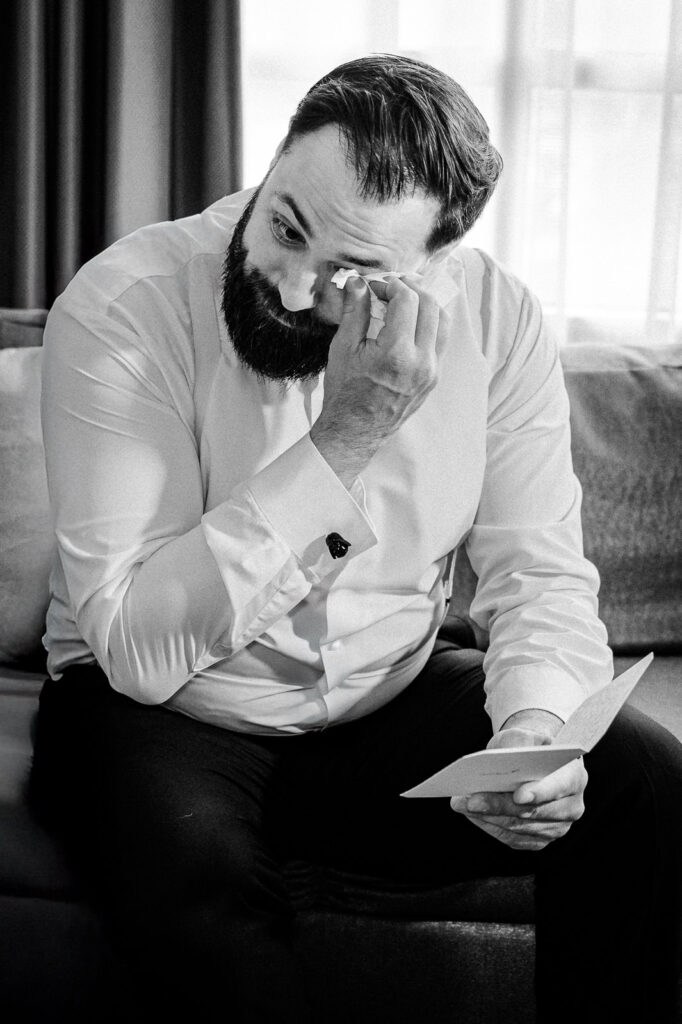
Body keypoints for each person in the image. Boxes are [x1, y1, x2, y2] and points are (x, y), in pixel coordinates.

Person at [30, 54, 682, 1022]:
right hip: (159, 708)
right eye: (286, 224)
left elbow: (536, 570)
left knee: (646, 785)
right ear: (275, 156)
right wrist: (345, 438)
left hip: (386, 696)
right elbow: (137, 646)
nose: (292, 288)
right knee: (192, 880)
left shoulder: (495, 322)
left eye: (348, 274)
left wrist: (534, 736)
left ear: (435, 268)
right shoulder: (126, 305)